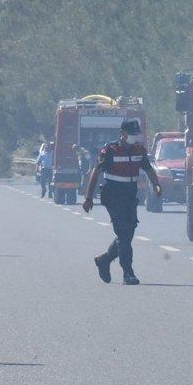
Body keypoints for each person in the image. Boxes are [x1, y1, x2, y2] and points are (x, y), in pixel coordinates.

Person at [83, 119, 161, 285]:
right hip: (113, 195)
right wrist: (88, 198)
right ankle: (128, 273)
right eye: (132, 134)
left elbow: (148, 169)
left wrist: (156, 185)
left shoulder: (139, 150)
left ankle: (105, 259)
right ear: (123, 133)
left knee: (128, 233)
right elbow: (95, 173)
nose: (135, 137)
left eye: (136, 134)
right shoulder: (110, 150)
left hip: (130, 196)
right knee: (124, 233)